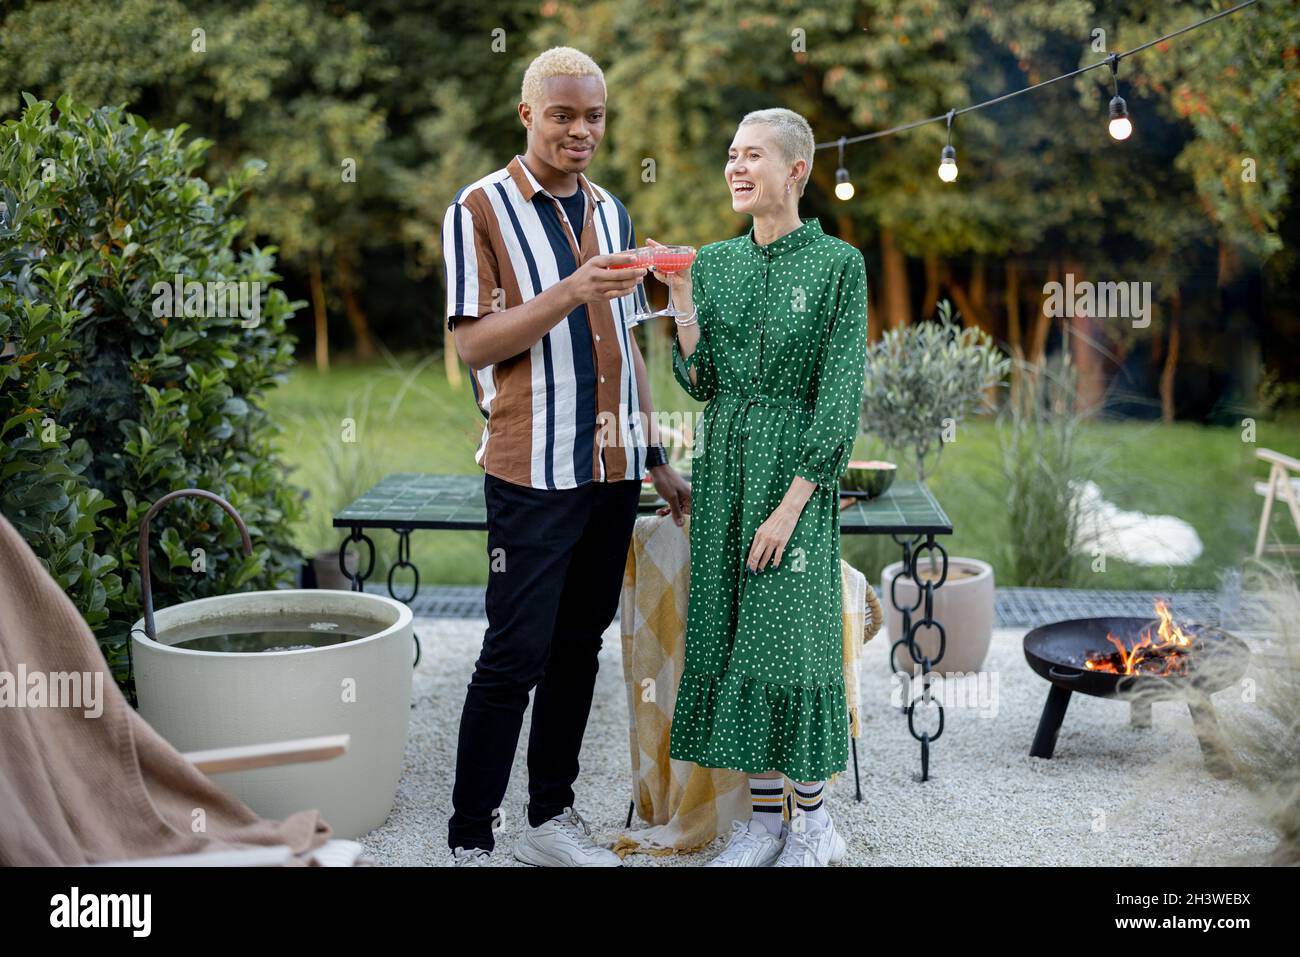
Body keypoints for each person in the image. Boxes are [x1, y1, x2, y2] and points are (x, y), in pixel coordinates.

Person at [440, 46, 691, 866]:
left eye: (594, 116)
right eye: (564, 115)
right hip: (530, 471)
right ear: (528, 116)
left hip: (610, 474)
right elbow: (474, 343)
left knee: (581, 645)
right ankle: (471, 836)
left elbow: (631, 348)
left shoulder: (613, 214)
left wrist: (653, 458)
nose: (581, 130)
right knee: (515, 652)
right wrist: (568, 292)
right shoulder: (477, 209)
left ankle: (549, 819)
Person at [651, 107, 868, 867]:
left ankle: (814, 826)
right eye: (730, 155)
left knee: (791, 649)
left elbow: (839, 396)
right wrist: (680, 294)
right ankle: (764, 823)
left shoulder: (840, 266)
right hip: (724, 468)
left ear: (796, 171)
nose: (735, 169)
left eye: (752, 156)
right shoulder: (715, 261)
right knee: (733, 638)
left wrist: (790, 508)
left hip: (795, 479)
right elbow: (702, 377)